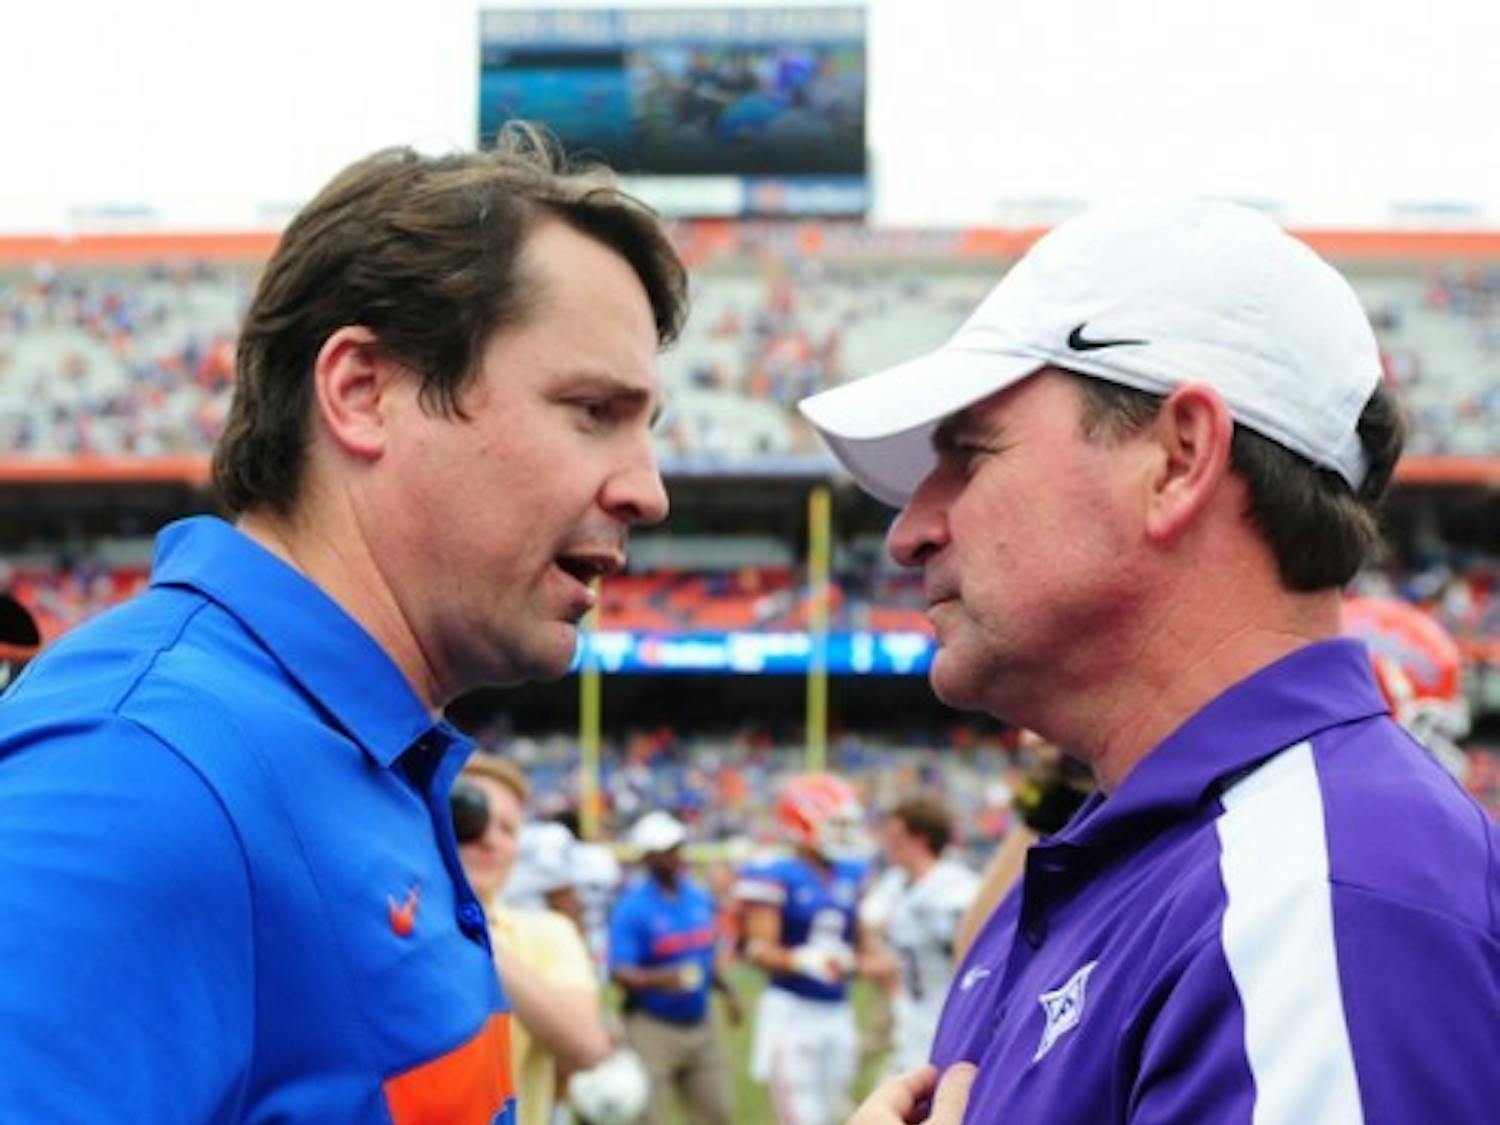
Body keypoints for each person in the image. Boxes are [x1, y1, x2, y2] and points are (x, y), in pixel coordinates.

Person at [0, 124, 686, 1123]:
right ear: (363, 393)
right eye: (592, 411)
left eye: (645, 427)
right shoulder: (134, 771)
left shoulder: (345, 741)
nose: (649, 492)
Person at [803, 200, 1500, 1122]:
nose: (909, 532)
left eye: (970, 456)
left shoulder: (1314, 892)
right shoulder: (1149, 857)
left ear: (1179, 459)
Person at [453, 755, 613, 1125]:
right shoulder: (382, 924)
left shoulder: (547, 933)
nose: (490, 839)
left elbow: (587, 1046)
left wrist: (471, 927)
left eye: (508, 829)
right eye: (468, 818)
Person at [737, 772, 872, 1125]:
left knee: (836, 1113)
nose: (844, 833)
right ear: (802, 821)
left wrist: (853, 961)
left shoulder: (852, 873)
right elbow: (757, 949)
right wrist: (801, 960)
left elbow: (865, 947)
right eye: (836, 824)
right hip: (792, 1013)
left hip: (838, 1010)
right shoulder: (775, 872)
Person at [608, 810, 739, 1125]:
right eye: (666, 852)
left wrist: (728, 993)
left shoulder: (697, 896)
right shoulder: (632, 908)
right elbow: (619, 972)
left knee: (717, 1113)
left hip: (701, 1022)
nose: (675, 857)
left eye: (676, 848)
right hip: (652, 1027)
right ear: (649, 858)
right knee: (648, 1117)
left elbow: (706, 955)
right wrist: (662, 979)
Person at [864, 796, 979, 1075]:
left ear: (920, 839)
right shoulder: (895, 882)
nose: (888, 842)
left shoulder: (955, 886)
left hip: (948, 1019)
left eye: (896, 836)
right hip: (909, 1012)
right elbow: (867, 923)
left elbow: (973, 952)